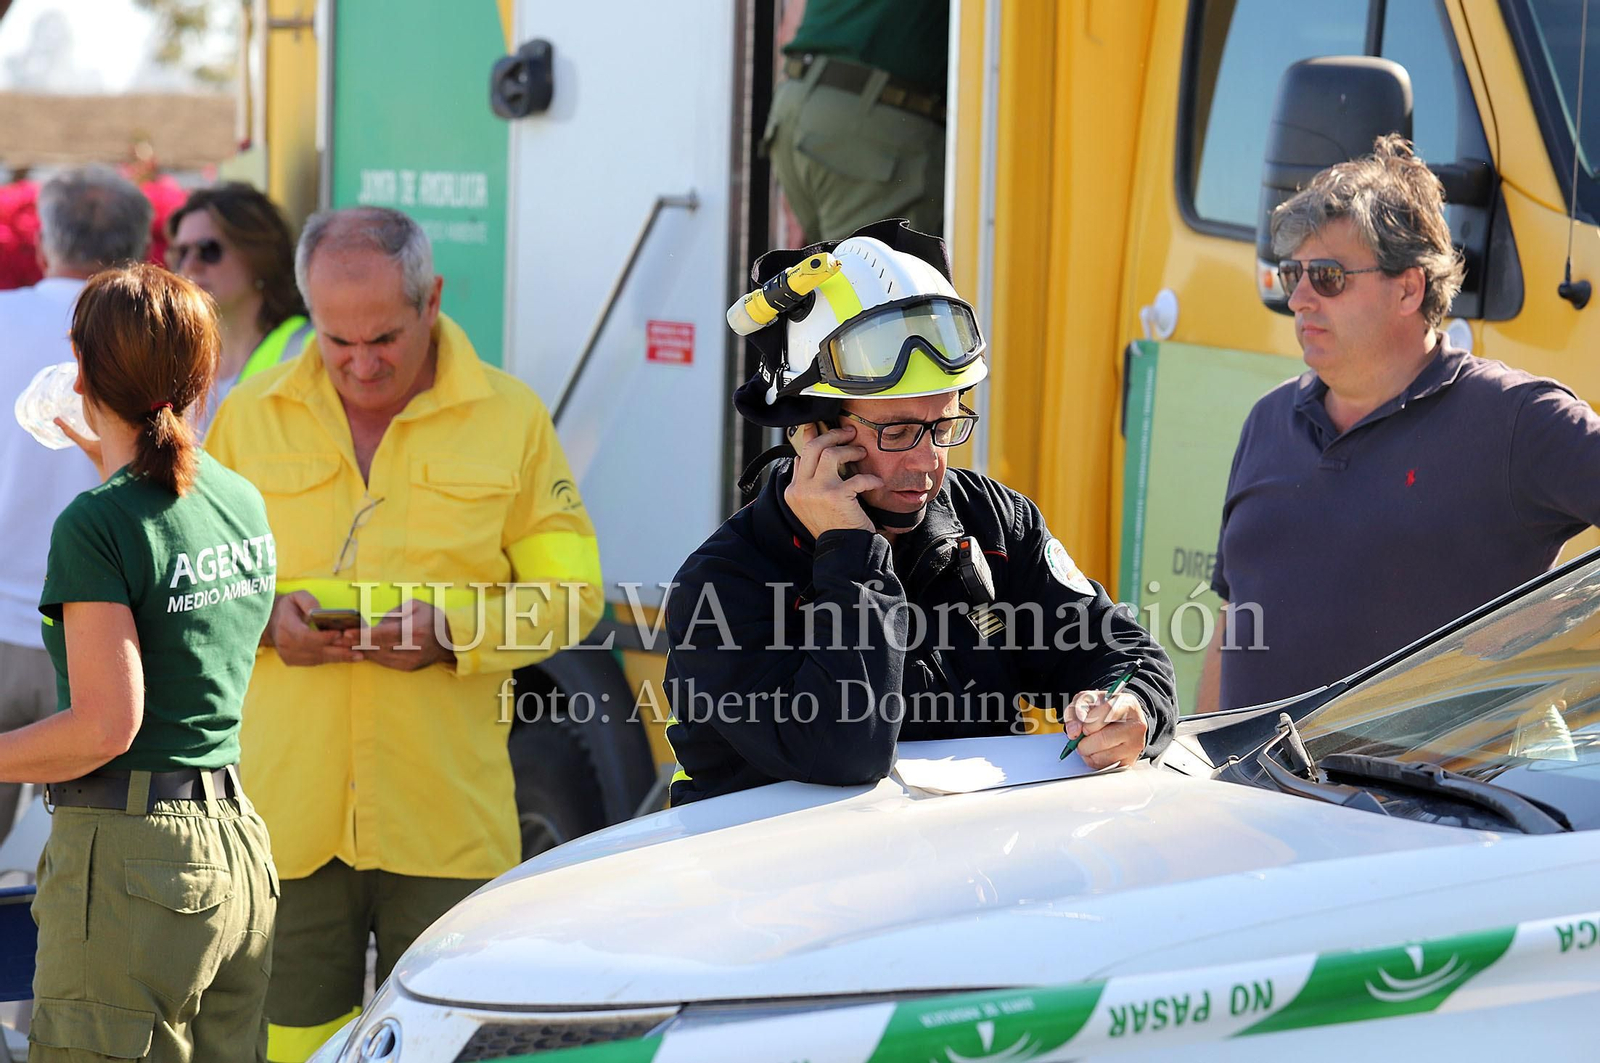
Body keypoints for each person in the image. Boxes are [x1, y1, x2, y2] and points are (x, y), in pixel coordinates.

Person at [205, 206, 604, 1059]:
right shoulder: (247, 417)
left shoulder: (512, 419)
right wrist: (267, 620)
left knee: (459, 1041)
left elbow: (573, 595)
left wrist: (455, 631)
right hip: (288, 818)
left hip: (447, 821)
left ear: (433, 302)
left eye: (382, 337)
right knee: (287, 1045)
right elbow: (196, 586)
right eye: (334, 339)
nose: (358, 363)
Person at [663, 220, 1176, 805]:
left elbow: (1123, 652)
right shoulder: (725, 586)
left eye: (944, 426)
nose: (927, 463)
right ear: (813, 432)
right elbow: (844, 751)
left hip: (957, 884)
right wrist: (849, 552)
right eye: (898, 431)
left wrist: (1129, 705)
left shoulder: (994, 526)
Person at [1198, 135, 1600, 713]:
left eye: (1329, 276)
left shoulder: (1516, 420)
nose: (1301, 300)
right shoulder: (1267, 421)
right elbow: (1234, 621)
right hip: (1253, 798)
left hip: (1433, 802)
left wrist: (1559, 655)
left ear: (1409, 288)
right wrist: (1203, 772)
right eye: (1294, 275)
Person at [20, 264, 278, 1060]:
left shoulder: (97, 523)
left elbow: (106, 723)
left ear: (81, 365)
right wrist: (114, 473)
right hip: (236, 851)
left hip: (135, 862)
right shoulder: (237, 496)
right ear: (203, 373)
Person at [0, 165, 151, 847]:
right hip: (111, 643)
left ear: (42, 240)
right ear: (145, 243)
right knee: (92, 878)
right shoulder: (160, 337)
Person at [766, 0, 948, 243]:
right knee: (879, 277)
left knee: (828, 273)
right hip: (869, 128)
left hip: (795, 103)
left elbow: (789, 26)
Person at [166, 183, 312, 435]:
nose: (190, 265)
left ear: (259, 256)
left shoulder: (308, 347)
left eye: (209, 250)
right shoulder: (175, 357)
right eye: (181, 252)